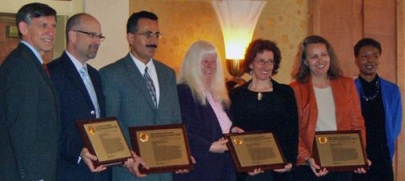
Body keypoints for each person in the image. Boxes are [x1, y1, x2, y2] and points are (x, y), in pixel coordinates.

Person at [99, 11, 182, 181]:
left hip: (164, 172)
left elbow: (175, 120)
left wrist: (181, 155)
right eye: (147, 34)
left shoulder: (168, 74)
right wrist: (126, 158)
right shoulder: (112, 74)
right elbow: (110, 125)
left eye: (156, 34)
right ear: (130, 38)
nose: (153, 40)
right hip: (131, 171)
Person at [290, 35, 367, 180]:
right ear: (305, 62)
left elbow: (357, 124)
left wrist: (359, 155)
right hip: (310, 167)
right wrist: (307, 157)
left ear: (330, 57)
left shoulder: (347, 85)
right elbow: (293, 131)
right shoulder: (294, 89)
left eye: (324, 55)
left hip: (342, 162)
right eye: (314, 56)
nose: (320, 61)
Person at [47, 13, 111, 181]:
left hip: (100, 172)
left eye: (100, 36)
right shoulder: (51, 73)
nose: (97, 41)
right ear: (72, 36)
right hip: (70, 171)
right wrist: (77, 152)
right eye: (92, 35)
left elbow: (100, 120)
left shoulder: (95, 75)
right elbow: (48, 128)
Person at [0, 3, 60, 181]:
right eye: (43, 26)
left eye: (53, 26)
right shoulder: (22, 66)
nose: (51, 32)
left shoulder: (30, 63)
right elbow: (22, 129)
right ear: (23, 28)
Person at [229, 39, 298, 181]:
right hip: (247, 172)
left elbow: (293, 130)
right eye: (260, 61)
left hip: (278, 171)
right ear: (250, 64)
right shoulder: (236, 95)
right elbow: (233, 131)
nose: (265, 66)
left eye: (270, 61)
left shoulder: (285, 93)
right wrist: (244, 167)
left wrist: (290, 162)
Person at [173, 40, 236, 181]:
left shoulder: (221, 94)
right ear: (193, 64)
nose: (210, 66)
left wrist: (234, 131)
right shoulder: (183, 92)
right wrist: (209, 146)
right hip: (200, 169)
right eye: (204, 61)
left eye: (213, 61)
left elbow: (224, 126)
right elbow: (180, 130)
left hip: (224, 167)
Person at [352, 38, 402, 181]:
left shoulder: (392, 90)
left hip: (382, 156)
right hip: (356, 156)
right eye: (365, 56)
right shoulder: (348, 89)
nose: (370, 60)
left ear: (379, 58)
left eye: (375, 55)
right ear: (356, 59)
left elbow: (395, 125)